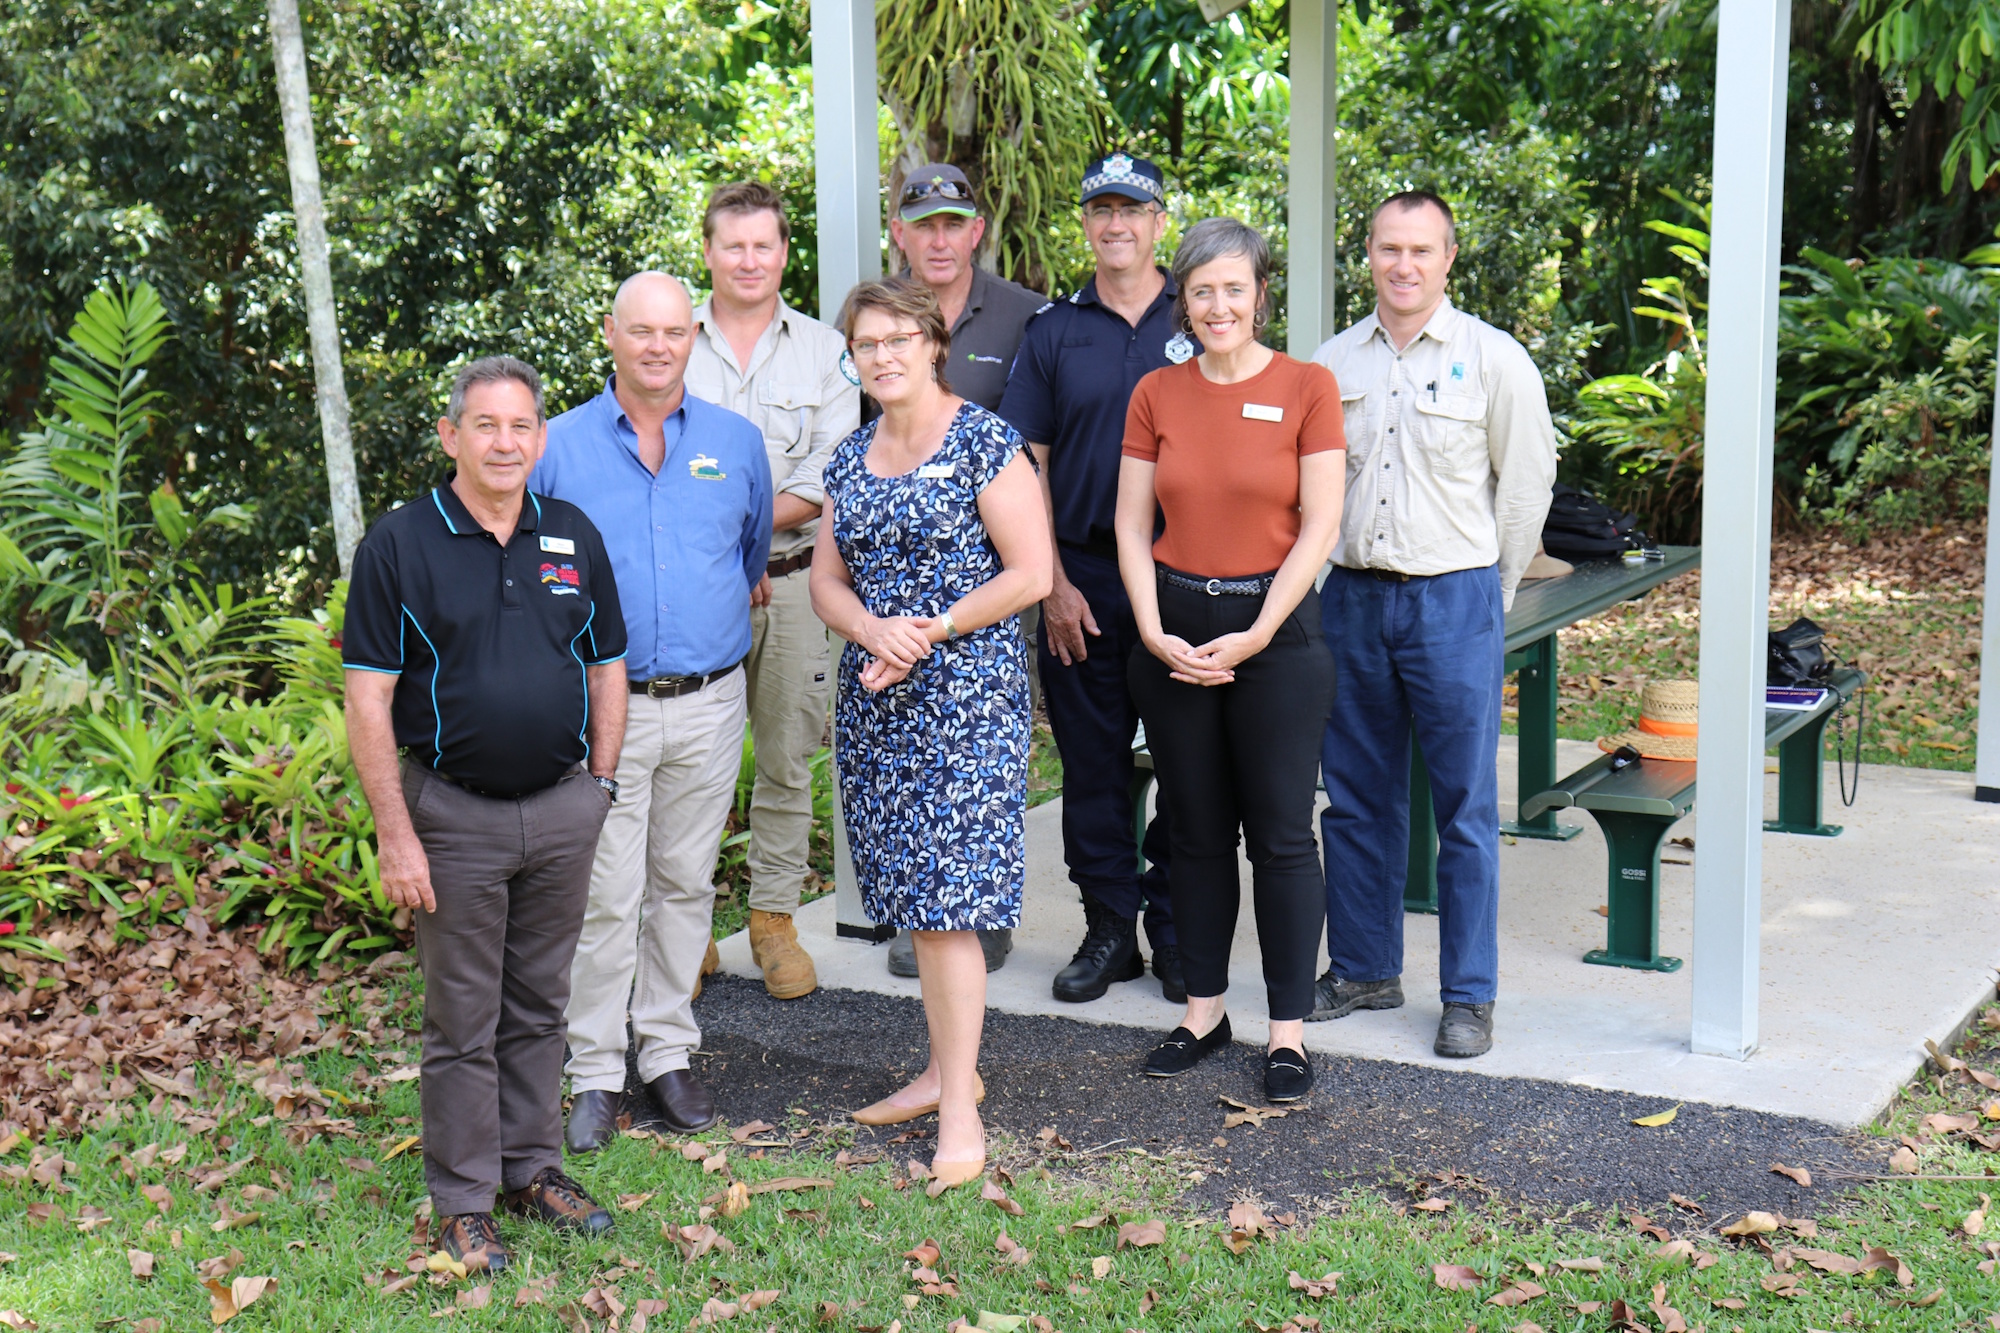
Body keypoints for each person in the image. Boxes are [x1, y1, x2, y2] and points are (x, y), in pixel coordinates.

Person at [342, 356, 626, 1272]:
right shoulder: (400, 544)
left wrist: (601, 786)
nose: (506, 442)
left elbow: (607, 663)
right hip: (452, 815)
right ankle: (464, 1198)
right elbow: (368, 699)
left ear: (541, 438)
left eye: (522, 426)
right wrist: (397, 832)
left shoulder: (573, 535)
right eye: (487, 425)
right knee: (462, 1016)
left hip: (560, 810)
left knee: (541, 1003)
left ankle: (532, 1166)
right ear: (451, 435)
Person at [810, 277, 1051, 1183]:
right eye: (866, 344)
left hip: (965, 701)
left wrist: (930, 628)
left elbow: (1032, 571)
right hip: (878, 698)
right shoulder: (850, 455)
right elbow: (826, 579)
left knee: (951, 906)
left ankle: (960, 1111)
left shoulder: (985, 443)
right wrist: (872, 628)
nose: (882, 356)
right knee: (912, 897)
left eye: (898, 339)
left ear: (934, 341)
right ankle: (943, 1069)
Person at [1308, 190, 1559, 1059]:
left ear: (1450, 257)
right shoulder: (1332, 363)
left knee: (1464, 807)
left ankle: (1468, 995)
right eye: (1387, 249)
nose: (1403, 265)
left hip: (1453, 599)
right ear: (1367, 255)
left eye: (1421, 250)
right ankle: (1366, 967)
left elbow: (1525, 494)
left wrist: (1486, 589)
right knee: (1354, 797)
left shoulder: (1496, 361)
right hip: (1351, 601)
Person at [532, 272, 773, 1148]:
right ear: (611, 335)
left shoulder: (736, 442)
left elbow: (748, 556)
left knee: (684, 884)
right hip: (604, 708)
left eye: (675, 331)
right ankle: (594, 1070)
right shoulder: (556, 447)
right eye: (642, 331)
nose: (659, 347)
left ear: (693, 336)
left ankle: (667, 1052)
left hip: (710, 704)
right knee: (605, 896)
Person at [1115, 219, 1346, 1104]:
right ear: (1184, 298)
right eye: (1202, 290)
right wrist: (1150, 626)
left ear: (1260, 295)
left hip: (1275, 636)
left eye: (1234, 289)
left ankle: (1286, 1032)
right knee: (1194, 832)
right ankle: (1203, 1012)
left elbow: (1318, 526)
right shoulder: (1156, 394)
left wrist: (1253, 634)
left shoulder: (1306, 386)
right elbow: (1133, 525)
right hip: (1172, 630)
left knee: (1283, 837)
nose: (1219, 306)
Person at [997, 152, 1184, 1006]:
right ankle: (1111, 928)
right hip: (1082, 579)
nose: (1116, 224)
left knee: (1190, 765)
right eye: (1101, 210)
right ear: (1086, 223)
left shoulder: (1204, 312)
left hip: (1186, 578)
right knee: (1095, 766)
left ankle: (1177, 929)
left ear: (1158, 222)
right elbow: (1022, 464)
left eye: (1132, 209)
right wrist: (1052, 584)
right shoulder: (1053, 331)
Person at [684, 181, 861, 1001]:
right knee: (693, 760)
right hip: (694, 587)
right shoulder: (671, 345)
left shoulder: (825, 351)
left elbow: (831, 471)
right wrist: (728, 544)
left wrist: (750, 537)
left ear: (785, 253)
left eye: (764, 245)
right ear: (710, 252)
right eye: (733, 245)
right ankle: (684, 931)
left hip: (790, 581)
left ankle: (773, 919)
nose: (749, 260)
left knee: (789, 757)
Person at [879, 163, 1046, 977]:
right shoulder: (878, 315)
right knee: (905, 756)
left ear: (976, 230)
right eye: (923, 224)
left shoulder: (1025, 317)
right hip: (896, 583)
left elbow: (1043, 443)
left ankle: (979, 917)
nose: (938, 239)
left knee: (983, 758)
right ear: (900, 233)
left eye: (954, 223)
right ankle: (925, 915)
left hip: (994, 576)